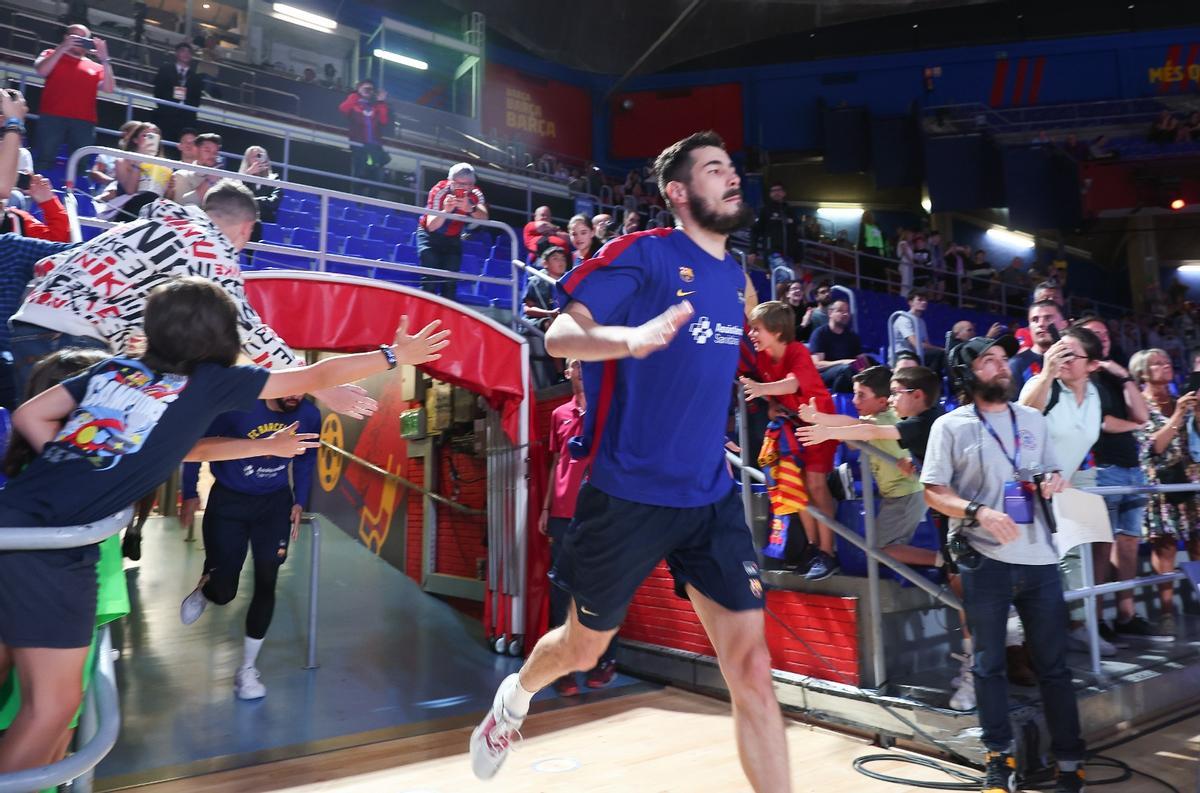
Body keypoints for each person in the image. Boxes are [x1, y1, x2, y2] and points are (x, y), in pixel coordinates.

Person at [0, 277, 449, 773]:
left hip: (11, 518)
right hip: (57, 550)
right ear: (221, 335)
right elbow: (316, 374)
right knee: (52, 708)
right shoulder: (214, 383)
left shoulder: (118, 369)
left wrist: (86, 467)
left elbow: (29, 415)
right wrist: (392, 355)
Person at [468, 131, 789, 791]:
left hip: (709, 496)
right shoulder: (643, 256)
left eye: (731, 167)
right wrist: (631, 338)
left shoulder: (738, 278)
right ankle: (515, 696)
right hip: (628, 495)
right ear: (678, 192)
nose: (731, 177)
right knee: (582, 645)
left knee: (753, 669)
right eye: (712, 169)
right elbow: (560, 334)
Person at [9, 180, 374, 421]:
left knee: (39, 447)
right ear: (245, 229)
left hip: (30, 322)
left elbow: (51, 263)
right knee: (80, 458)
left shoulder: (144, 226)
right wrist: (319, 385)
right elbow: (247, 329)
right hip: (71, 339)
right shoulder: (210, 246)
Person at [921, 334, 1086, 793]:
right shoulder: (949, 426)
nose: (1000, 366)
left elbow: (1049, 471)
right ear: (967, 374)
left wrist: (1053, 480)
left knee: (1053, 665)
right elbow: (933, 491)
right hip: (984, 562)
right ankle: (999, 757)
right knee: (988, 666)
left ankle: (1070, 761)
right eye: (987, 361)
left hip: (1039, 559)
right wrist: (978, 511)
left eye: (1001, 358)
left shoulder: (1032, 419)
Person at [178, 393, 322, 699]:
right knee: (225, 591)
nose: (296, 395)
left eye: (302, 388)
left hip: (274, 504)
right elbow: (197, 442)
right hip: (229, 500)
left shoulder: (309, 414)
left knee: (267, 581)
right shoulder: (235, 405)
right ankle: (208, 587)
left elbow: (308, 458)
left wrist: (299, 501)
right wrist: (189, 491)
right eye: (291, 386)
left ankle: (247, 669)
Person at [1017, 326, 1116, 656]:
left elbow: (1079, 442)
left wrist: (1066, 476)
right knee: (1030, 566)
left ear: (1092, 366)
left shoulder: (1095, 396)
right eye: (1060, 351)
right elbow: (1021, 421)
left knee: (1081, 555)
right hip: (1023, 489)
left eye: (1071, 354)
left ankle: (1079, 626)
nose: (1063, 359)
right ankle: (1025, 648)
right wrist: (1046, 374)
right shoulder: (1044, 384)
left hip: (1062, 487)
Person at [797, 365, 939, 568]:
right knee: (880, 548)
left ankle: (941, 561)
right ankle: (937, 564)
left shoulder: (888, 418)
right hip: (900, 494)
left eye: (861, 395)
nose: (855, 401)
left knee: (879, 549)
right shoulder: (879, 417)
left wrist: (827, 431)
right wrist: (818, 419)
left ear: (882, 401)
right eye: (854, 394)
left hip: (907, 494)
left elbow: (866, 430)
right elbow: (851, 423)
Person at [741, 300, 840, 581]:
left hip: (819, 425)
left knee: (817, 486)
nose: (752, 334)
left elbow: (793, 383)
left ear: (777, 330)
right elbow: (778, 392)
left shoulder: (798, 352)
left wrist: (762, 389)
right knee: (799, 491)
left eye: (757, 329)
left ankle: (828, 552)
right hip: (794, 427)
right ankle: (812, 547)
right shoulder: (762, 358)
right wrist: (772, 402)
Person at [1076, 316, 1157, 641]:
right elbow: (1103, 422)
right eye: (1094, 334)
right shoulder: (1086, 379)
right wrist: (1136, 427)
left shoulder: (1113, 375)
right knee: (1100, 548)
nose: (1102, 338)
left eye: (1105, 333)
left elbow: (1143, 414)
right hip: (1102, 468)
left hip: (1132, 468)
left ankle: (1126, 614)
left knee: (1128, 546)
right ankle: (1096, 621)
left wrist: (1124, 376)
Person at [539, 359, 617, 696]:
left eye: (586, 365)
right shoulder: (558, 415)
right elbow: (557, 462)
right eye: (574, 366)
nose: (581, 370)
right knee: (562, 592)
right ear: (567, 373)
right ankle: (564, 667)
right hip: (561, 513)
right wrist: (545, 506)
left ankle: (606, 660)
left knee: (603, 588)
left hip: (599, 512)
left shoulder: (607, 411)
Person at [1131, 348, 1199, 638]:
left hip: (1190, 480)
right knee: (1166, 547)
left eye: (1167, 361)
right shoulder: (1139, 406)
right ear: (1142, 374)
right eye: (1156, 363)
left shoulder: (1182, 399)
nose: (1165, 365)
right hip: (1160, 484)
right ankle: (1167, 611)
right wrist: (1179, 415)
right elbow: (1152, 448)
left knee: (1199, 544)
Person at [32, 26, 115, 182]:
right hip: (52, 115)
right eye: (74, 36)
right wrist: (62, 48)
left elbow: (109, 89)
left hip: (84, 121)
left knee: (81, 163)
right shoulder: (50, 53)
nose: (78, 41)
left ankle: (76, 197)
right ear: (65, 37)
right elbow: (41, 71)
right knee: (44, 157)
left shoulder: (96, 66)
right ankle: (37, 192)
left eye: (82, 38)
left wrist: (105, 59)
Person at [416, 163, 488, 300]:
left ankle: (445, 318)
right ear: (451, 182)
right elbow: (431, 226)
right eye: (460, 184)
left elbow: (485, 217)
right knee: (429, 280)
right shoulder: (439, 190)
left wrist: (470, 208)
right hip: (429, 236)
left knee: (450, 283)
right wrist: (445, 211)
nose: (464, 188)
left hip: (453, 238)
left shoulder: (476, 193)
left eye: (468, 184)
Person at [523, 246, 568, 387]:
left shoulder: (570, 280)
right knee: (552, 325)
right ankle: (560, 373)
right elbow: (527, 309)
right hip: (541, 319)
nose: (560, 262)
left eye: (563, 259)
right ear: (545, 264)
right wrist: (549, 313)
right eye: (555, 259)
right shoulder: (536, 282)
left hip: (566, 318)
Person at [338, 79, 390, 188]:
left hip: (375, 146)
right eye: (365, 88)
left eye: (370, 89)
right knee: (359, 175)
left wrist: (381, 102)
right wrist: (357, 94)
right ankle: (356, 202)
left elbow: (384, 121)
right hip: (359, 145)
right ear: (359, 88)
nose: (368, 91)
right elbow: (343, 108)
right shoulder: (354, 103)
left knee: (376, 177)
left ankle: (372, 201)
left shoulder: (376, 106)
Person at [807, 297, 866, 393]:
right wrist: (843, 362)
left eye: (847, 311)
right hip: (824, 376)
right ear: (830, 313)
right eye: (840, 311)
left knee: (877, 370)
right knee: (845, 370)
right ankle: (838, 404)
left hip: (848, 373)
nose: (845, 314)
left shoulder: (852, 336)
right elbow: (817, 365)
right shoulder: (820, 334)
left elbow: (861, 361)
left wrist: (866, 370)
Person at [1009, 300, 1067, 390]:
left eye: (1048, 318)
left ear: (1064, 324)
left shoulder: (1075, 359)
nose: (1041, 324)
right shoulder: (1016, 363)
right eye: (1035, 320)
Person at [152, 42, 204, 143]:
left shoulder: (196, 77)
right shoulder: (165, 70)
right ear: (176, 53)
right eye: (183, 51)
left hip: (186, 119)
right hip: (165, 115)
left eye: (189, 52)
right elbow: (158, 91)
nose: (186, 54)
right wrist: (165, 107)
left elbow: (196, 100)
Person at [890, 290, 944, 373]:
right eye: (920, 300)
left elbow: (926, 344)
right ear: (910, 302)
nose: (924, 302)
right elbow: (916, 344)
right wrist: (941, 349)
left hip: (917, 354)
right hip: (903, 354)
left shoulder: (921, 322)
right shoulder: (904, 319)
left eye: (925, 300)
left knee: (942, 356)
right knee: (939, 354)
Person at [750, 182, 800, 266]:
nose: (776, 193)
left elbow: (796, 235)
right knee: (782, 276)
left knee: (788, 277)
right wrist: (753, 251)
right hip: (773, 253)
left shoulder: (790, 211)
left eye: (778, 190)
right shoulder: (766, 210)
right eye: (773, 191)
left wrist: (798, 258)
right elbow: (755, 231)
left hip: (790, 255)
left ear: (784, 193)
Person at [237, 145, 282, 239]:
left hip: (265, 221)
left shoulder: (274, 179)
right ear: (248, 160)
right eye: (254, 156)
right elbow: (236, 197)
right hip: (243, 218)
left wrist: (251, 201)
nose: (258, 159)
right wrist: (247, 175)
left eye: (260, 156)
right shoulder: (241, 178)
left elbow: (274, 202)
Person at [169, 132, 223, 206]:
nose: (212, 155)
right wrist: (210, 181)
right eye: (207, 150)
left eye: (215, 152)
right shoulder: (181, 175)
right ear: (196, 150)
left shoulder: (222, 178)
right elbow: (182, 206)